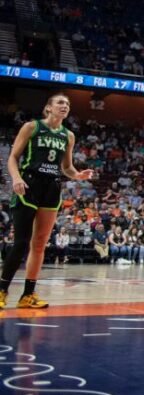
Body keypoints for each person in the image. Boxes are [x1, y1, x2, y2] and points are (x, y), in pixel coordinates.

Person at [2, 93, 95, 308]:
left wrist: (78, 175)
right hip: (29, 185)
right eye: (61, 102)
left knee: (40, 244)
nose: (65, 106)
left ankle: (28, 295)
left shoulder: (68, 135)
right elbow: (13, 157)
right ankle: (2, 291)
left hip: (52, 188)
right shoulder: (31, 127)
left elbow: (66, 168)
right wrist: (16, 178)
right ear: (48, 108)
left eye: (68, 104)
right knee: (22, 242)